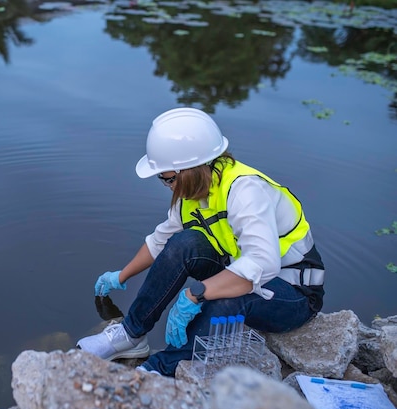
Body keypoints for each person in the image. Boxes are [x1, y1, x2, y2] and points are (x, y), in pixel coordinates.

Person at [76, 107, 325, 377]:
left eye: (168, 178)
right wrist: (121, 276)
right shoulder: (193, 194)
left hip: (294, 293)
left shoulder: (245, 191)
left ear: (191, 170)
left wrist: (197, 293)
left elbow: (262, 263)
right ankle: (131, 334)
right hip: (243, 269)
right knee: (184, 243)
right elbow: (161, 241)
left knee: (224, 302)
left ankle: (159, 370)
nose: (167, 185)